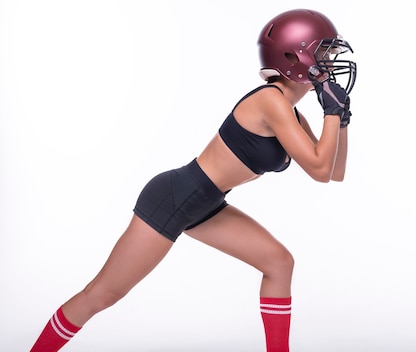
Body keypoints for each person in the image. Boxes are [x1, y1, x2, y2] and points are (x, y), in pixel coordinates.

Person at [29, 8, 356, 352]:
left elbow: (333, 172)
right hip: (174, 197)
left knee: (279, 262)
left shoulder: (292, 114)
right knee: (102, 294)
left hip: (206, 203)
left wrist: (341, 119)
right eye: (325, 53)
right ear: (295, 57)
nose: (331, 63)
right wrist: (331, 113)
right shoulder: (269, 101)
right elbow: (321, 169)